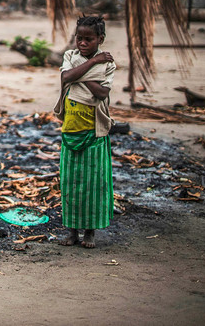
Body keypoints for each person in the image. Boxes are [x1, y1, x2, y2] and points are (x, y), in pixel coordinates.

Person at [53, 15, 116, 248]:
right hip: (70, 131)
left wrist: (79, 75)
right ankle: (72, 232)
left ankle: (90, 233)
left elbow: (101, 93)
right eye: (79, 38)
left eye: (88, 39)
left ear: (100, 39)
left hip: (94, 134)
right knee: (70, 184)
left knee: (93, 185)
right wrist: (91, 64)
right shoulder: (70, 56)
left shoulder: (108, 64)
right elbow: (66, 77)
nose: (82, 43)